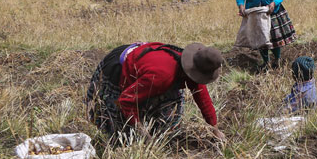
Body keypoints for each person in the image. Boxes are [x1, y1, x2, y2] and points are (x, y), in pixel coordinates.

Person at [86, 42, 226, 140]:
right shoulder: (161, 76)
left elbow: (202, 98)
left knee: (172, 104)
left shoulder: (193, 66)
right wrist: (142, 132)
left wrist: (215, 128)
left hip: (148, 74)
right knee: (121, 129)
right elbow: (125, 100)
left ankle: (153, 125)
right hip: (118, 67)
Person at [235, 0, 296, 70]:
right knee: (260, 40)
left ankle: (277, 60)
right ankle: (266, 62)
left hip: (271, 12)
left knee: (274, 40)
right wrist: (241, 5)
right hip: (255, 14)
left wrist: (273, 3)